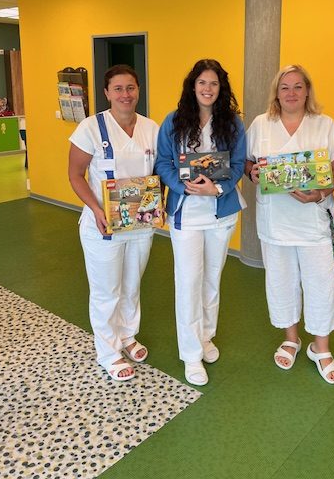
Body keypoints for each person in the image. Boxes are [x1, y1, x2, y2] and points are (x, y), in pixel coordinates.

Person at [246, 65, 334, 384]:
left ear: (307, 90)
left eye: (298, 86)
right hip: (275, 222)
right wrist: (252, 173)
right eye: (284, 87)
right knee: (281, 281)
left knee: (321, 284)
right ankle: (291, 339)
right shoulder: (261, 124)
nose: (291, 93)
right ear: (276, 92)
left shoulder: (324, 124)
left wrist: (321, 193)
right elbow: (246, 162)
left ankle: (321, 347)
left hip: (314, 222)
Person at [155, 59, 246, 386]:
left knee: (211, 280)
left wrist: (217, 188)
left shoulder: (232, 123)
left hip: (220, 213)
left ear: (221, 88)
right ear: (192, 86)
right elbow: (163, 162)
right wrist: (183, 187)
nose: (207, 89)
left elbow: (238, 164)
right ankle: (191, 354)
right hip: (186, 214)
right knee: (189, 282)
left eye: (214, 83)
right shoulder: (173, 121)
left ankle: (206, 336)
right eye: (202, 82)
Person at [68, 64, 159, 382]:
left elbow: (157, 173)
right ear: (107, 93)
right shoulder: (91, 128)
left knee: (132, 285)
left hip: (140, 223)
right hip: (103, 226)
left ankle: (127, 335)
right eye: (118, 88)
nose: (125, 94)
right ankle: (108, 351)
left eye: (130, 87)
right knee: (107, 290)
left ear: (138, 90)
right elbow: (75, 175)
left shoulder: (151, 128)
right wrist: (95, 209)